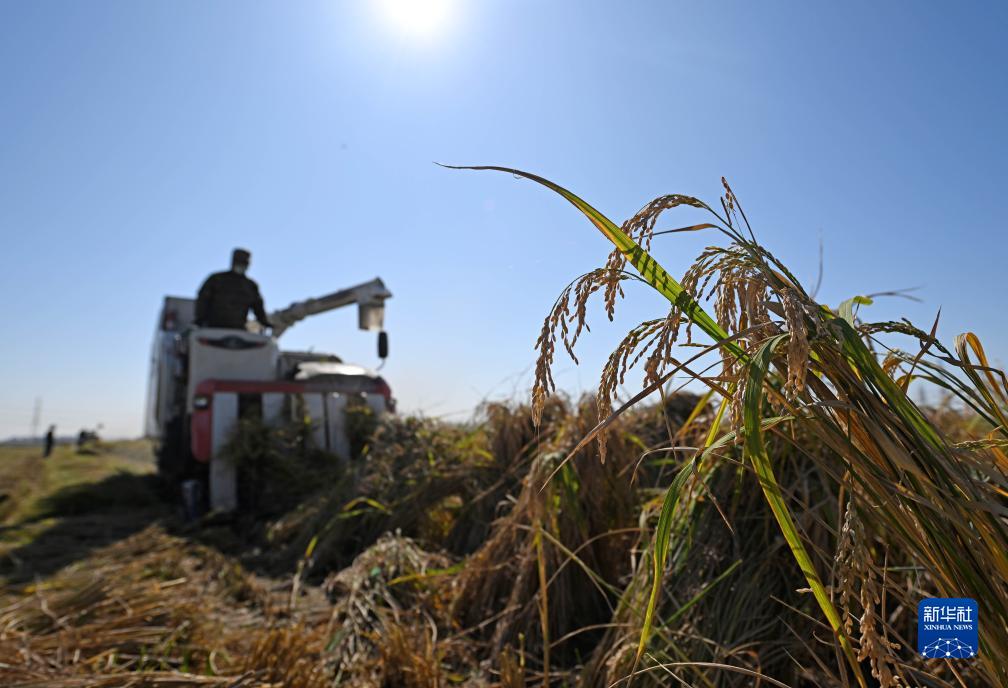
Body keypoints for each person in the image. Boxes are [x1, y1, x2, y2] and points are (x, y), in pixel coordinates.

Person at [194, 248, 271, 330]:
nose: (241, 265)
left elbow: (258, 306)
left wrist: (264, 322)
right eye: (239, 262)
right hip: (214, 326)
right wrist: (200, 319)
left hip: (238, 328)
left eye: (244, 263)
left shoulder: (250, 285)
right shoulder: (216, 279)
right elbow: (203, 300)